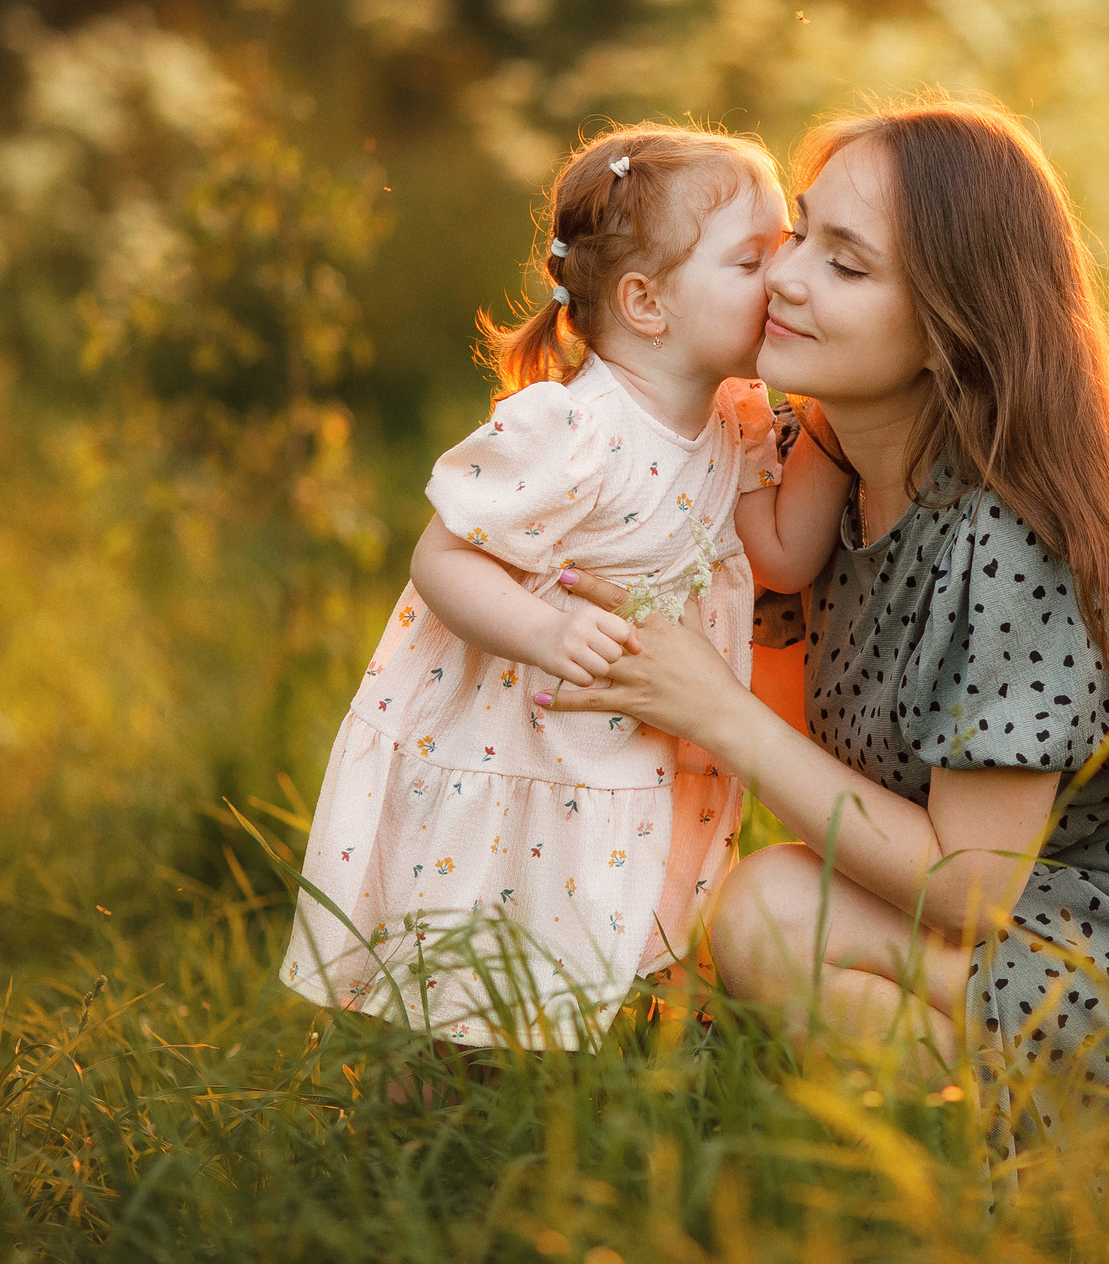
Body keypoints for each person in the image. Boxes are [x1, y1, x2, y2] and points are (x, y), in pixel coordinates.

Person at [545, 101, 1109, 1114]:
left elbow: (963, 890)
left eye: (846, 266)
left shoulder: (1006, 543)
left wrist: (710, 710)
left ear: (954, 323)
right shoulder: (825, 475)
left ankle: (1060, 1179)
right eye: (800, 232)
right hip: (1077, 922)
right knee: (774, 905)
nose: (783, 275)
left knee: (777, 913)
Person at [279, 124, 850, 1048]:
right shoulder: (576, 427)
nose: (784, 277)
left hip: (636, 737)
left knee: (606, 936)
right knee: (480, 957)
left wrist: (836, 407)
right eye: (754, 257)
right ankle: (420, 1112)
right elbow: (445, 557)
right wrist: (542, 632)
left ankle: (578, 1100)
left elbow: (783, 553)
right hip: (533, 732)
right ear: (646, 301)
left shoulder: (734, 417)